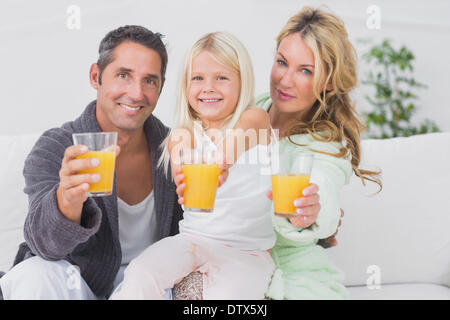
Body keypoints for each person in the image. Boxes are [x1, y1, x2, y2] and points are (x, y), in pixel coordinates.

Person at [0, 25, 195, 300]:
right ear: (96, 76)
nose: (137, 93)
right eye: (124, 75)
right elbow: (43, 243)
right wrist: (67, 201)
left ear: (160, 88)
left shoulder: (174, 148)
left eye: (149, 80)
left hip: (144, 286)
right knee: (33, 274)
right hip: (76, 281)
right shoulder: (56, 146)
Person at [110, 31, 280, 300]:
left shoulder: (255, 119)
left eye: (221, 78)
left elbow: (237, 140)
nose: (208, 87)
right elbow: (181, 171)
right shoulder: (183, 134)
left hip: (248, 252)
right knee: (141, 271)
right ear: (185, 86)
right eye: (198, 78)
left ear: (242, 82)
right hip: (192, 241)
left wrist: (221, 162)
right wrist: (183, 179)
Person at [256, 6, 382, 299]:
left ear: (327, 82)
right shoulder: (248, 108)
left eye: (305, 70)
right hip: (235, 263)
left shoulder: (327, 143)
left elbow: (324, 188)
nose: (285, 80)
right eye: (282, 62)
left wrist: (309, 213)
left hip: (294, 275)